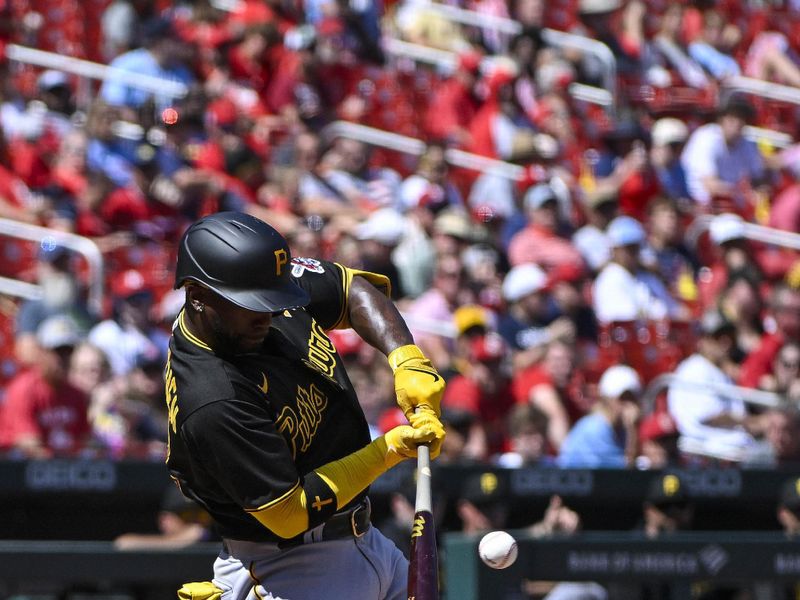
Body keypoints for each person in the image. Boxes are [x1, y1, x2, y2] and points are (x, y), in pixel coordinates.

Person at [166, 212, 446, 600]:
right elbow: (288, 513)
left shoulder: (260, 285)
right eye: (252, 304)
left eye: (274, 300)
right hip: (288, 567)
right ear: (198, 296)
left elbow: (354, 291)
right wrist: (386, 452)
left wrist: (406, 358)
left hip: (366, 538)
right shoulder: (212, 397)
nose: (267, 314)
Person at [557, 364, 641, 468]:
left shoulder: (620, 429)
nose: (628, 405)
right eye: (622, 399)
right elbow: (624, 471)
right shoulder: (595, 427)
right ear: (607, 399)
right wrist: (632, 430)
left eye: (631, 399)